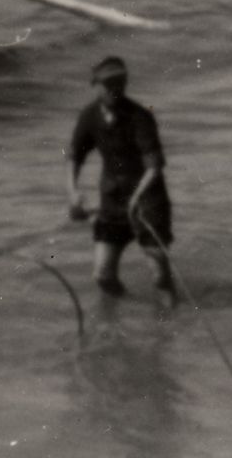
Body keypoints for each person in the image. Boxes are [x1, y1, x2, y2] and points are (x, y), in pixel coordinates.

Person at [65, 57, 177, 298]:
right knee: (102, 276)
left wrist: (136, 198)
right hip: (112, 202)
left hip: (148, 201)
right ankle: (124, 318)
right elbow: (74, 157)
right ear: (96, 85)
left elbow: (154, 168)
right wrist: (73, 193)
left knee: (159, 276)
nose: (115, 89)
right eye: (109, 84)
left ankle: (170, 325)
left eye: (119, 83)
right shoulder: (89, 116)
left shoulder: (140, 117)